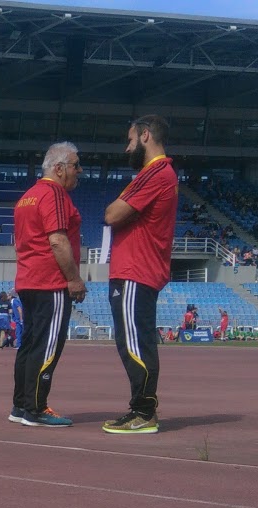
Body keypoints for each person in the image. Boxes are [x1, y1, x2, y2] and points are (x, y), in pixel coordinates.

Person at [103, 114, 178, 436]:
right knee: (131, 341)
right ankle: (141, 408)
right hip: (134, 270)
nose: (127, 148)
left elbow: (112, 214)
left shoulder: (156, 173)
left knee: (135, 343)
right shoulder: (155, 174)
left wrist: (118, 207)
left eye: (130, 140)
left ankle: (144, 411)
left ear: (145, 135)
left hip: (137, 270)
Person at [9, 140, 84, 428]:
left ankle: (21, 404)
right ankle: (36, 408)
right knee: (48, 344)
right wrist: (73, 278)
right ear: (59, 168)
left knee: (30, 344)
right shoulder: (54, 194)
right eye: (76, 165)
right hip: (50, 282)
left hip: (28, 279)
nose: (79, 171)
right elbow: (57, 239)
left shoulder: (27, 196)